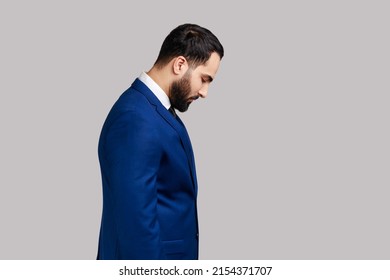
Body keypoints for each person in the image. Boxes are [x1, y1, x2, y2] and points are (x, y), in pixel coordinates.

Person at [96, 23, 224, 260]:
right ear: (180, 64)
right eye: (204, 79)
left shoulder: (155, 110)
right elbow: (135, 224)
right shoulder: (136, 119)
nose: (205, 92)